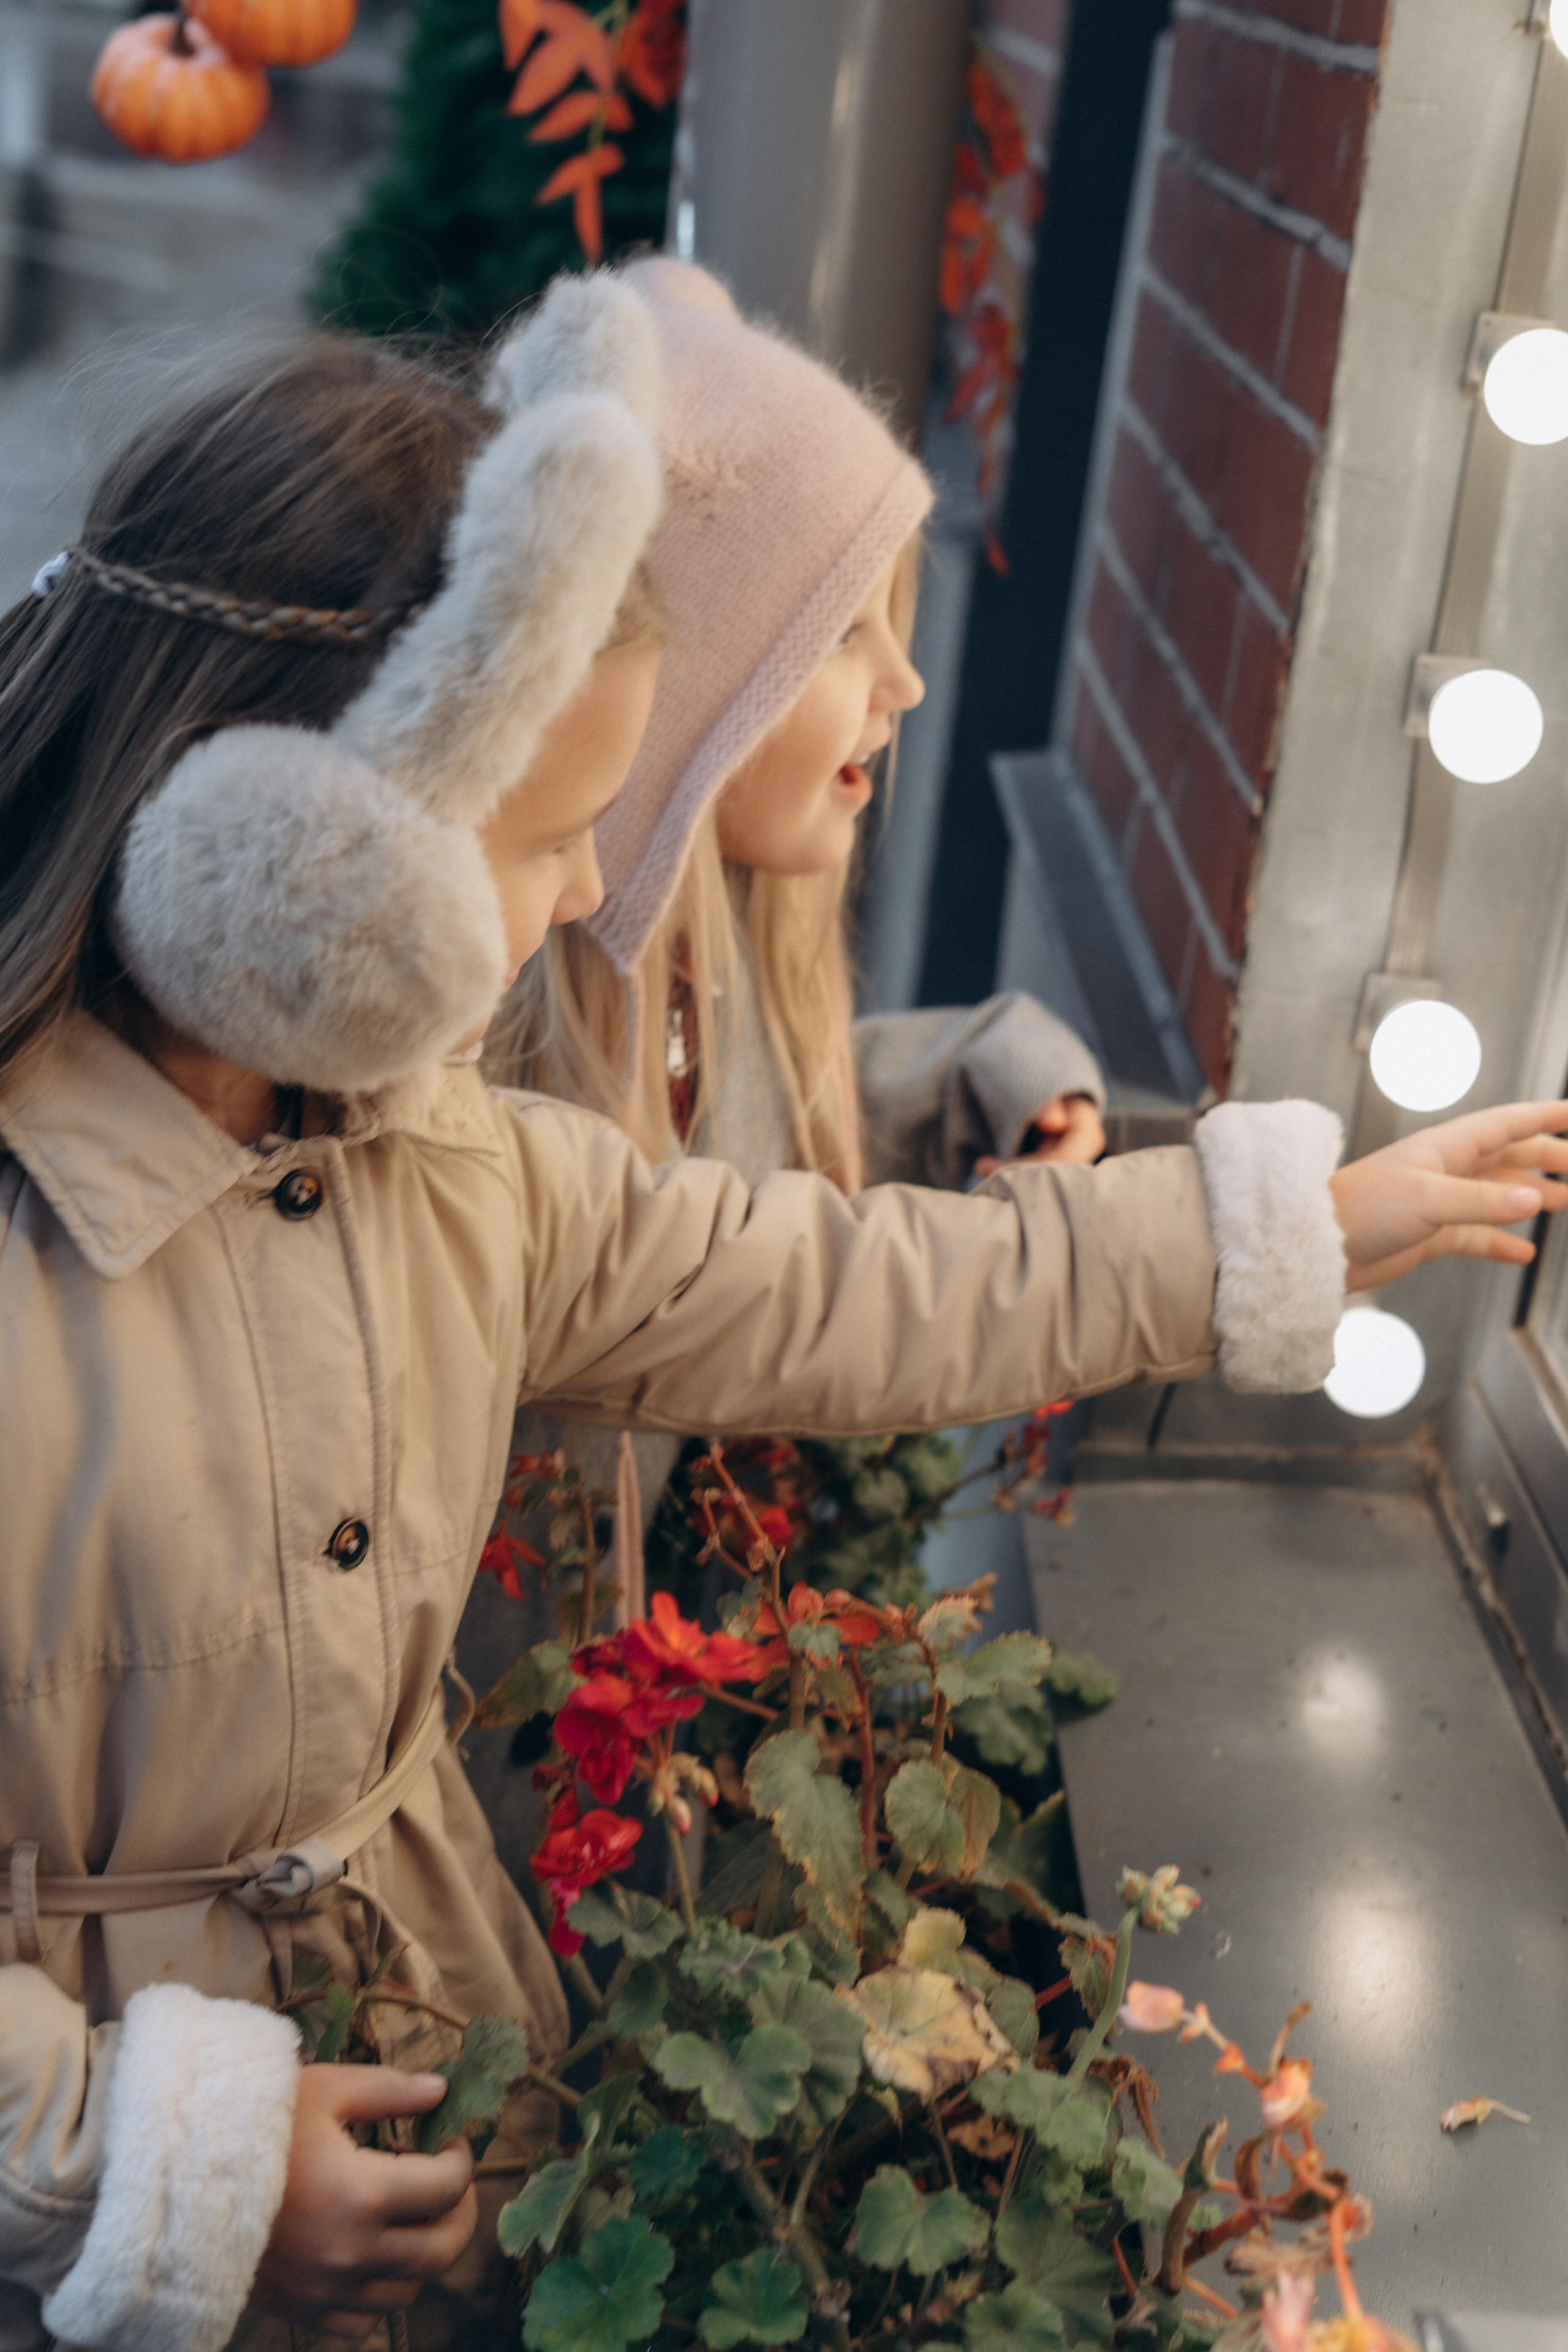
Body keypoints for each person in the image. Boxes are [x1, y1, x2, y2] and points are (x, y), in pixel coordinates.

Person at [0, 268, 1562, 2352]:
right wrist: (152, 2165)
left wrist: (1252, 1235)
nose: (589, 894)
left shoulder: (448, 1165)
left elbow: (827, 1284)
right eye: (546, 839)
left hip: (442, 2105)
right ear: (288, 863)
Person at [475, 260, 1107, 1706]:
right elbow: (776, 1273)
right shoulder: (505, 1061)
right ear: (691, 686)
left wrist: (980, 1077)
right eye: (839, 635)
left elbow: (746, 1140)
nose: (906, 685)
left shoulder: (697, 964)